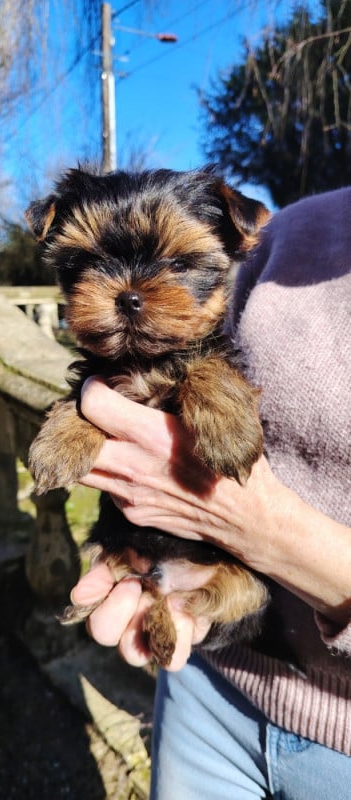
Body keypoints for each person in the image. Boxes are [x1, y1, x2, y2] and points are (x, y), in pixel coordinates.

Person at [70, 187, 351, 799]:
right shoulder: (286, 233)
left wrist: (252, 525)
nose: (132, 290)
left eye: (179, 263)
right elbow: (207, 357)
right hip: (206, 684)